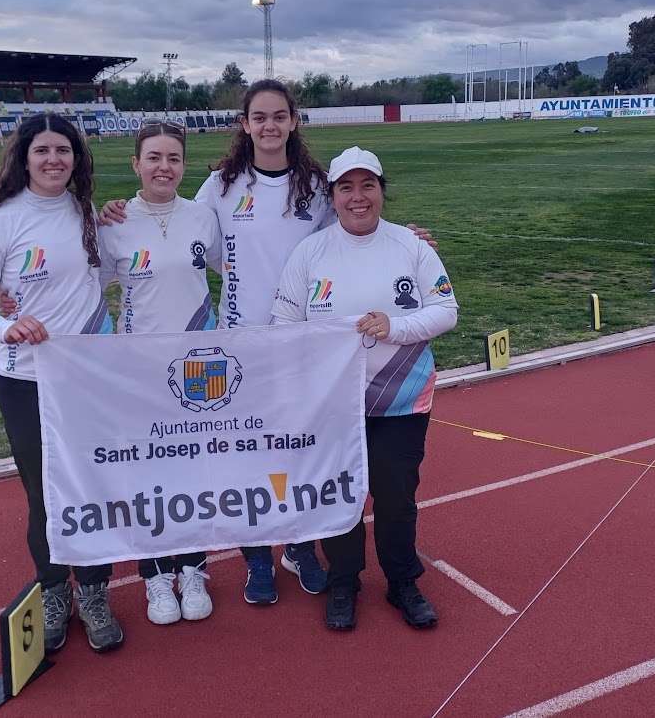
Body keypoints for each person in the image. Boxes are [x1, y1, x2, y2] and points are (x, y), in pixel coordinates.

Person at [101, 80, 439, 606]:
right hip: (239, 343)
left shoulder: (317, 185)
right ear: (245, 124)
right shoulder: (221, 185)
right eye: (259, 117)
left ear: (293, 121)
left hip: (305, 344)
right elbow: (183, 228)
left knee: (299, 452)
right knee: (246, 454)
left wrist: (406, 240)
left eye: (279, 116)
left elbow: (355, 227)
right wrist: (122, 211)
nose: (269, 126)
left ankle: (299, 547)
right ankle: (257, 555)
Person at [271, 146, 459, 631]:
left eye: (367, 185)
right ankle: (344, 582)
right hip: (332, 401)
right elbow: (284, 322)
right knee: (339, 495)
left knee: (396, 495)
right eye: (346, 187)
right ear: (333, 196)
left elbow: (446, 311)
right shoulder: (310, 251)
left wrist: (395, 326)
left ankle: (402, 581)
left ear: (381, 190)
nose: (358, 197)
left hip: (402, 398)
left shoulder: (411, 245)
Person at [0, 113, 124, 655]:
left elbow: (99, 278)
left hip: (87, 378)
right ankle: (55, 591)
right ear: (24, 158)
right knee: (43, 493)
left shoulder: (86, 214)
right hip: (24, 380)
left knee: (90, 484)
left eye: (63, 150)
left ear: (77, 158)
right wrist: (6, 325)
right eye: (43, 150)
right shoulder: (0, 222)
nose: (54, 160)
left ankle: (94, 592)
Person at [98, 120, 223, 625]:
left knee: (195, 470)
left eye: (173, 158)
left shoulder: (203, 218)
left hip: (201, 364)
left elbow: (238, 269)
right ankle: (153, 575)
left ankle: (192, 569)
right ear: (136, 164)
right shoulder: (113, 222)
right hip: (140, 367)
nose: (163, 167)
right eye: (153, 157)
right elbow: (83, 288)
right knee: (147, 472)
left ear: (183, 165)